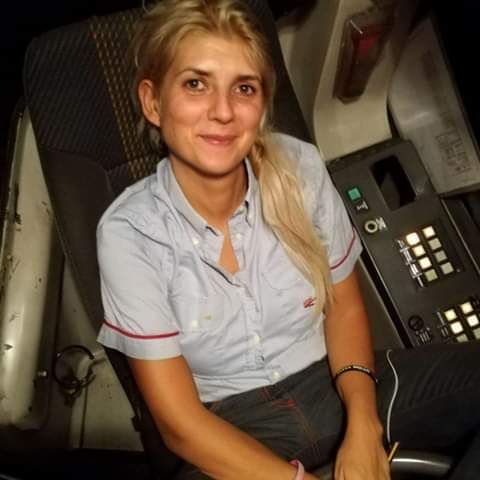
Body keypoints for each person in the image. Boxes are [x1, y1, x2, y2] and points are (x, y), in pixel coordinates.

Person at [96, 1, 480, 479]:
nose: (222, 111)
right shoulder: (130, 232)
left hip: (337, 380)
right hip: (230, 423)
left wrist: (364, 426)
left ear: (261, 105)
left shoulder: (299, 167)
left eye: (244, 88)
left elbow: (344, 306)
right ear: (153, 102)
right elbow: (181, 426)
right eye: (196, 84)